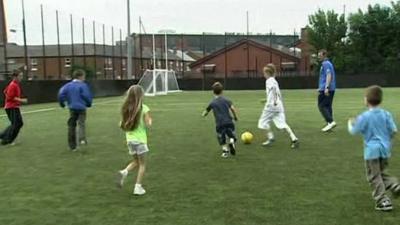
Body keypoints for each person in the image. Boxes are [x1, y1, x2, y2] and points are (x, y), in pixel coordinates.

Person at [348, 85, 400, 211]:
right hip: (385, 150)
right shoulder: (386, 114)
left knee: (373, 176)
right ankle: (394, 184)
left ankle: (382, 200)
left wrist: (351, 123)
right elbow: (393, 131)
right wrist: (387, 141)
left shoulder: (365, 117)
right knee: (381, 173)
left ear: (366, 100)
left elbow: (354, 131)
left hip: (371, 151)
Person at [116, 85, 152, 195]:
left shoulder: (126, 109)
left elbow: (121, 124)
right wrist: (150, 119)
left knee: (136, 161)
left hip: (130, 140)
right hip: (140, 140)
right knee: (142, 164)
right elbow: (148, 124)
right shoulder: (144, 108)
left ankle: (123, 172)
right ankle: (138, 187)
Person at [257, 64, 299, 149]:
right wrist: (268, 100)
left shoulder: (269, 81)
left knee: (262, 123)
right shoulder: (274, 81)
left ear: (268, 73)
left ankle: (270, 137)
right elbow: (276, 93)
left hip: (271, 106)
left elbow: (273, 91)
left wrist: (270, 102)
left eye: (264, 73)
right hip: (279, 106)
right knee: (282, 124)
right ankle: (294, 138)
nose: (264, 75)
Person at [58, 69, 92, 151]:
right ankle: (82, 139)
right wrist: (88, 103)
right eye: (84, 76)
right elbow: (86, 95)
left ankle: (72, 146)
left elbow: (61, 94)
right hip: (81, 107)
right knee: (81, 123)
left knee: (71, 126)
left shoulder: (68, 85)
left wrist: (62, 103)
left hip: (72, 107)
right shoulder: (83, 85)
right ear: (81, 76)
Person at [202, 82, 238, 158]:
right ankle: (231, 142)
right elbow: (233, 109)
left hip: (220, 124)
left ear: (213, 92)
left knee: (221, 138)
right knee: (231, 134)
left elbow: (206, 111)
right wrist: (235, 117)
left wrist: (203, 114)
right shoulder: (227, 100)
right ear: (222, 91)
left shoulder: (212, 102)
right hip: (229, 122)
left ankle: (225, 152)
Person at [0, 70, 27, 145]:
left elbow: (5, 91)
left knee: (17, 123)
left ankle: (4, 137)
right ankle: (6, 140)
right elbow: (9, 97)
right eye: (20, 76)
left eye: (22, 76)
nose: (21, 77)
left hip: (13, 107)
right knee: (16, 124)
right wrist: (21, 100)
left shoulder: (14, 84)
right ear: (15, 77)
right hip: (11, 107)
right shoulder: (13, 85)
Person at [318, 49, 337, 132]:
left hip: (327, 89)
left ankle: (331, 121)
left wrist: (326, 87)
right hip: (328, 88)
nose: (319, 57)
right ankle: (329, 125)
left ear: (324, 55)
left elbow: (329, 75)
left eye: (320, 55)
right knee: (328, 106)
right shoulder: (327, 64)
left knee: (321, 106)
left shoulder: (326, 64)